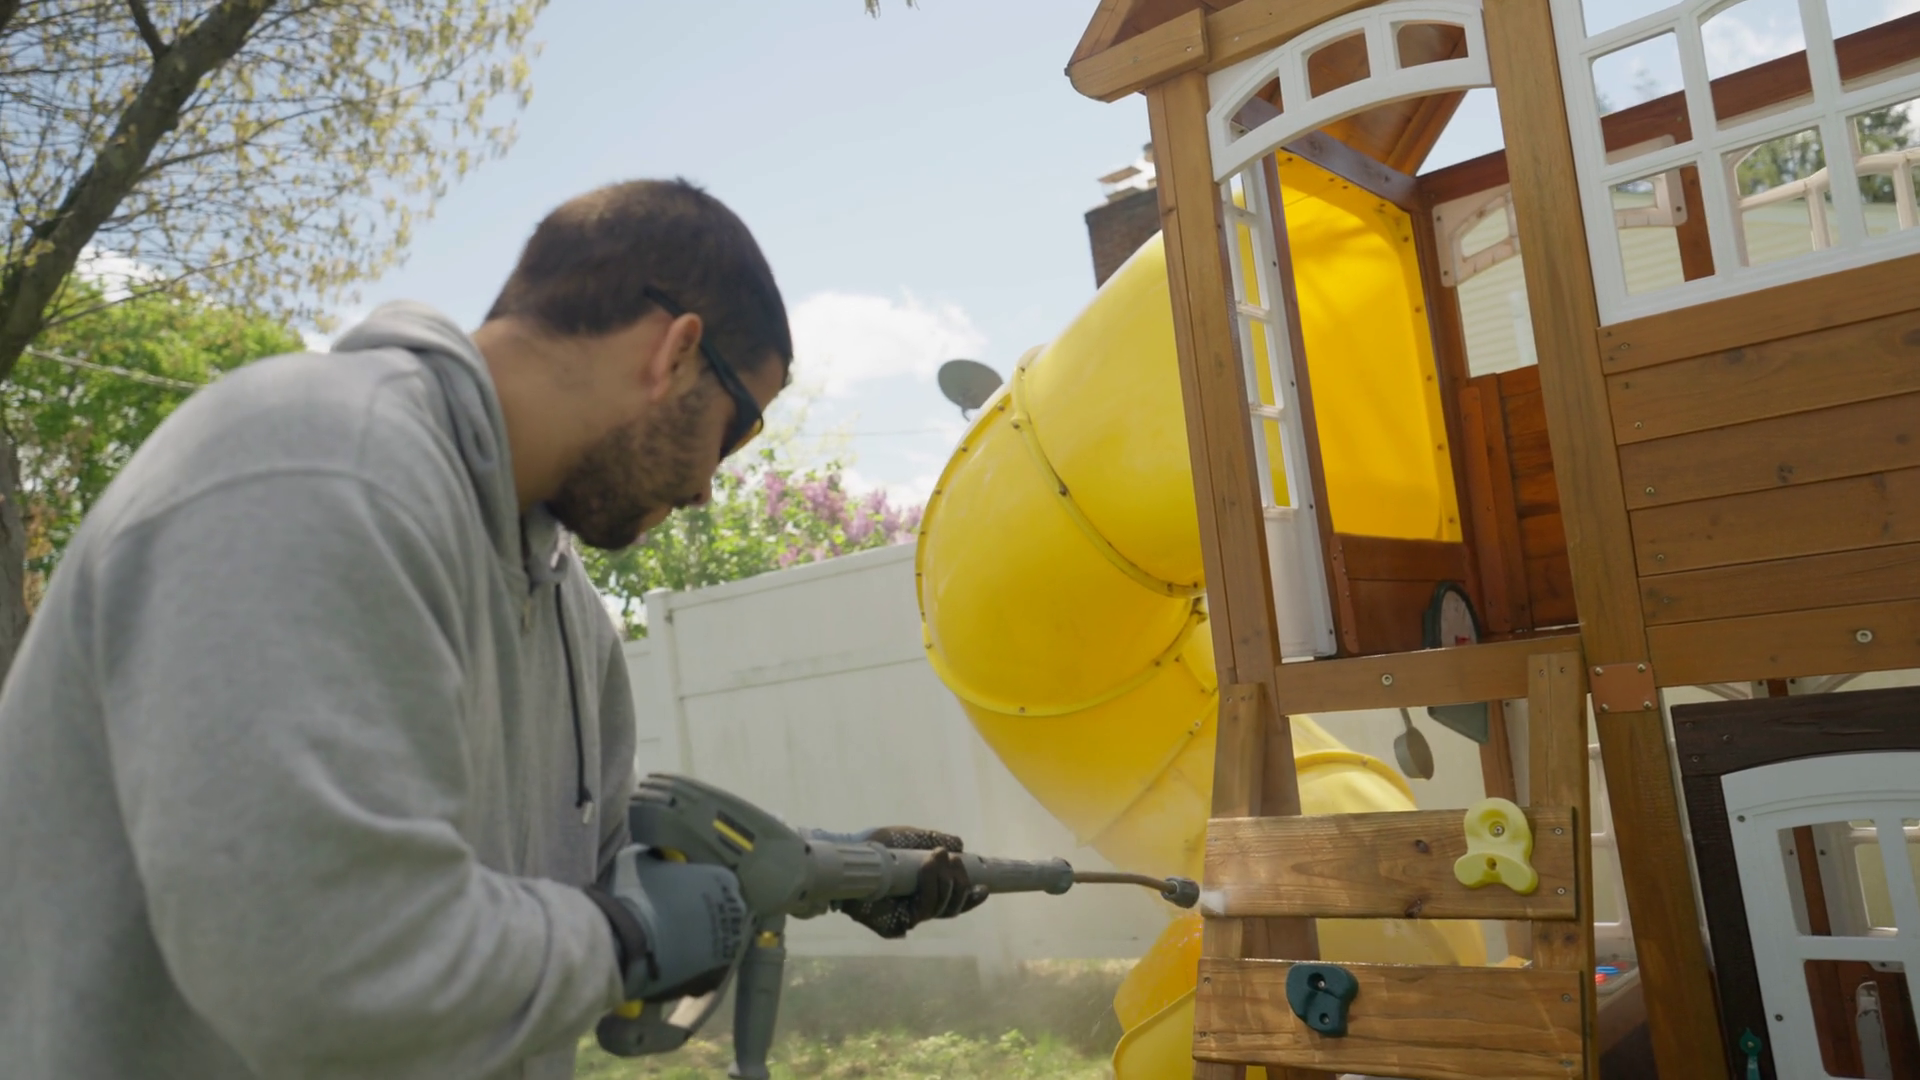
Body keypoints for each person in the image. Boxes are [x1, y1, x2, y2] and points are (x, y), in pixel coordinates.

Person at [0, 178, 984, 1079]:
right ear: (675, 351)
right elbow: (323, 966)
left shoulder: (572, 619)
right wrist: (628, 940)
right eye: (736, 429)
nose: (703, 490)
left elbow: (577, 888)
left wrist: (813, 870)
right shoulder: (316, 469)